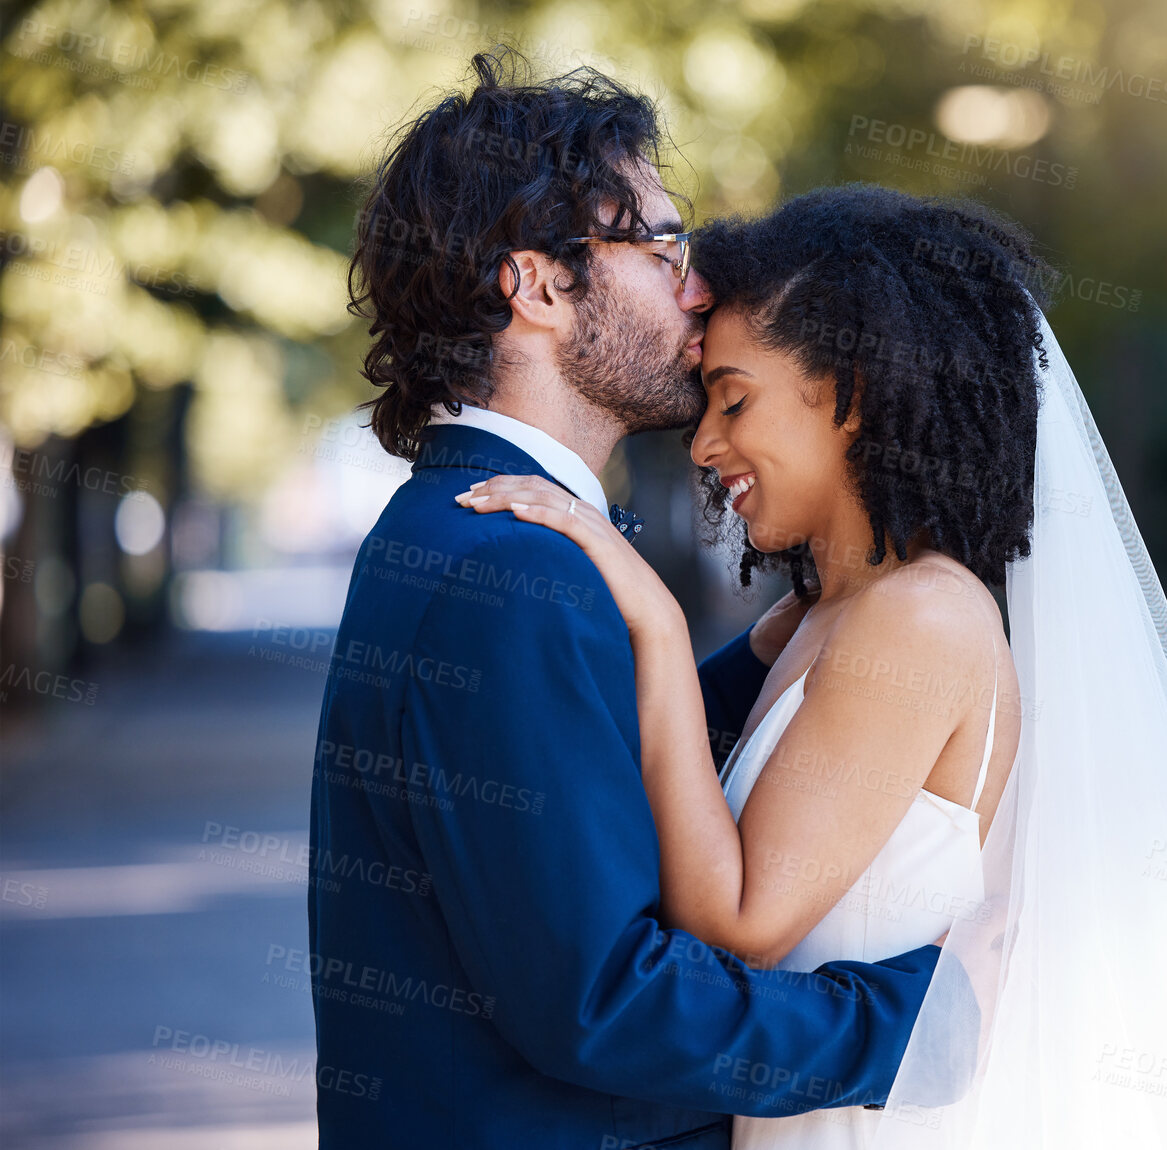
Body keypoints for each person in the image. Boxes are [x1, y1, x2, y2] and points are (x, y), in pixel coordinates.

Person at [465, 184, 1167, 1149]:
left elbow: (742, 922)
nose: (705, 443)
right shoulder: (828, 618)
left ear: (856, 394)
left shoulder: (918, 619)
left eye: (736, 400)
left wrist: (655, 626)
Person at [310, 53, 947, 1149]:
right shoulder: (510, 565)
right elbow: (602, 1000)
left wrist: (769, 655)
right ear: (541, 287)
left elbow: (578, 787)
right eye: (661, 246)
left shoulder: (468, 529)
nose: (696, 285)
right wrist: (898, 1024)